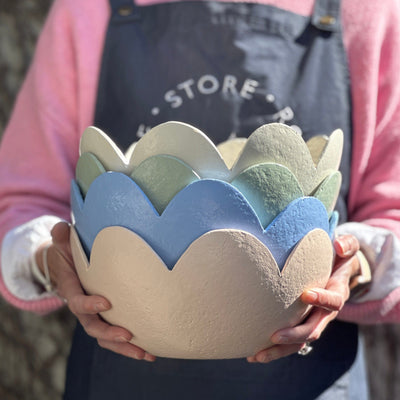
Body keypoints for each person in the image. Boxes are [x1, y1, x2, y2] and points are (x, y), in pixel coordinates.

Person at [0, 0, 400, 398]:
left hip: (311, 380)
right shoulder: (88, 9)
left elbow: (392, 214)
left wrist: (356, 263)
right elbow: (22, 203)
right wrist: (50, 261)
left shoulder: (367, 10)